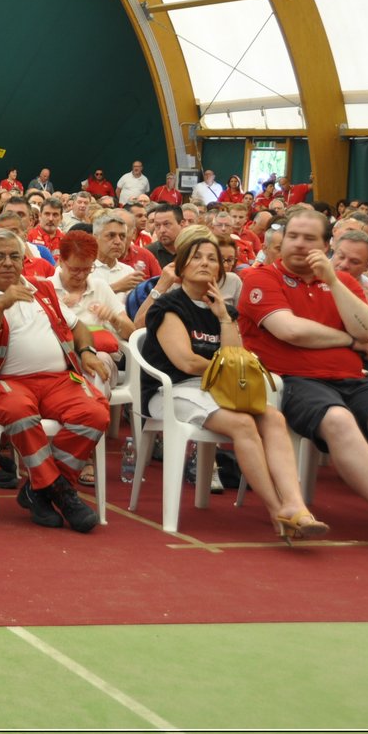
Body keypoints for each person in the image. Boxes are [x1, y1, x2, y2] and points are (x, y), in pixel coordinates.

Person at [237, 210, 368, 558]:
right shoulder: (261, 278)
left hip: (352, 379)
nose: (299, 245)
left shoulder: (344, 283)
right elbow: (290, 331)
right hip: (293, 381)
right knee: (337, 419)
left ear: (325, 245)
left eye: (309, 239)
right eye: (293, 236)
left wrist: (333, 282)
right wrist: (345, 339)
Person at [139, 228, 326, 539]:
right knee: (242, 424)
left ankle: (295, 505)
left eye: (212, 259)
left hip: (215, 389)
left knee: (274, 417)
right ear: (182, 266)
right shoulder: (169, 306)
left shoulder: (223, 309)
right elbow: (186, 362)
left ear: (220, 270)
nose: (205, 263)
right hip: (172, 391)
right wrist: (227, 366)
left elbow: (234, 356)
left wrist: (224, 319)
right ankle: (275, 509)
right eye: (196, 257)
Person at [0, 229, 110, 533]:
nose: (8, 263)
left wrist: (87, 350)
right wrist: (0, 306)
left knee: (95, 413)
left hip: (59, 380)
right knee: (19, 414)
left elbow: (78, 326)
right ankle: (62, 494)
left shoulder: (43, 290)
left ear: (24, 260)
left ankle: (38, 490)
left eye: (15, 256)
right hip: (6, 381)